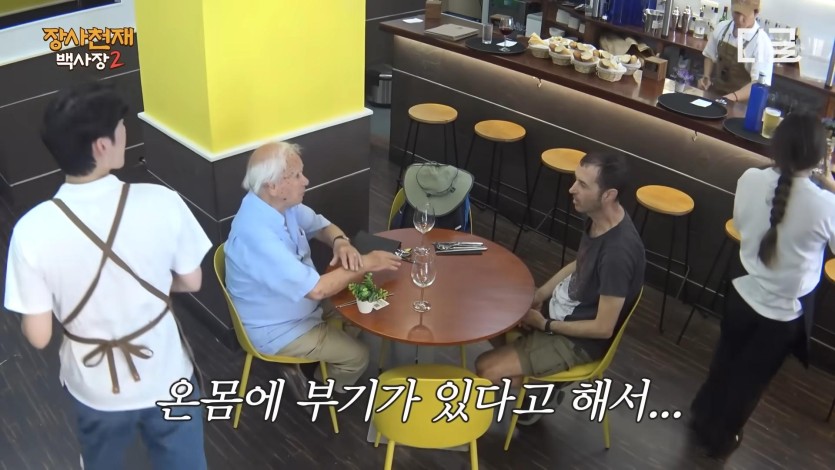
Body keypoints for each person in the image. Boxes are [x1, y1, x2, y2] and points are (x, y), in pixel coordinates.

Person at [3, 82, 212, 469]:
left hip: (95, 387)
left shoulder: (30, 230)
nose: (125, 133)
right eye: (120, 127)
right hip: (167, 374)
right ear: (101, 145)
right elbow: (192, 281)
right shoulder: (161, 202)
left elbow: (39, 335)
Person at [690, 113, 835, 459]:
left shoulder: (751, 178)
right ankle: (720, 439)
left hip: (742, 291)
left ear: (777, 146)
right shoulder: (826, 204)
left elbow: (741, 225)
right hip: (784, 313)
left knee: (724, 359)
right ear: (820, 157)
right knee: (750, 380)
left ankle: (701, 416)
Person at [475, 152, 645, 423]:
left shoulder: (618, 254)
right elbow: (581, 263)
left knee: (485, 368)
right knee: (490, 315)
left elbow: (603, 328)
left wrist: (544, 325)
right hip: (559, 313)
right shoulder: (597, 217)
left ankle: (540, 388)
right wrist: (540, 294)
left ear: (608, 195)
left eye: (583, 185)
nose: (572, 189)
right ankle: (536, 380)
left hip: (577, 341)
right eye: (576, 180)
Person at [224, 141, 401, 398]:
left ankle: (321, 356)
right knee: (359, 356)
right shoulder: (257, 236)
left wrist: (340, 242)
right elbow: (317, 290)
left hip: (302, 306)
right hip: (279, 329)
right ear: (273, 186)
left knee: (359, 307)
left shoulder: (278, 205)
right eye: (296, 176)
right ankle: (319, 386)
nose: (305, 181)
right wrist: (366, 263)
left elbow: (321, 225)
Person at [697, 0, 774, 103]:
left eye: (744, 15)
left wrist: (730, 98)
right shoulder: (722, 28)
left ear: (756, 13)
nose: (739, 19)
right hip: (715, 97)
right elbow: (709, 55)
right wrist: (706, 76)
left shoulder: (762, 43)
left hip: (740, 106)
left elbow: (759, 84)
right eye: (736, 13)